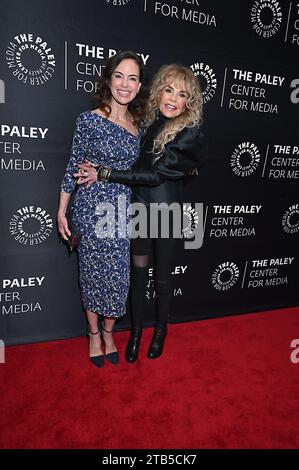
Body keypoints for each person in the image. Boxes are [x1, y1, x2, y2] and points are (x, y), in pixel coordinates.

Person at [76, 64, 206, 362]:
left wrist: (105, 173)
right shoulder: (148, 125)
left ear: (190, 101)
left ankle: (160, 332)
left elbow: (154, 176)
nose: (173, 99)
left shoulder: (189, 135)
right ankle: (135, 334)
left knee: (161, 280)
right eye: (168, 90)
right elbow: (137, 168)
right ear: (158, 91)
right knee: (138, 276)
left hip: (166, 215)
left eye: (182, 94)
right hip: (139, 210)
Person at [57, 50, 147, 367]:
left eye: (132, 78)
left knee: (118, 279)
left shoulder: (140, 126)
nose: (125, 84)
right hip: (91, 210)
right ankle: (93, 333)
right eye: (119, 76)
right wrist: (61, 210)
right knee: (93, 277)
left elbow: (142, 172)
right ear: (109, 79)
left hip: (123, 213)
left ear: (139, 86)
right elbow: (72, 166)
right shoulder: (89, 120)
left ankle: (110, 332)